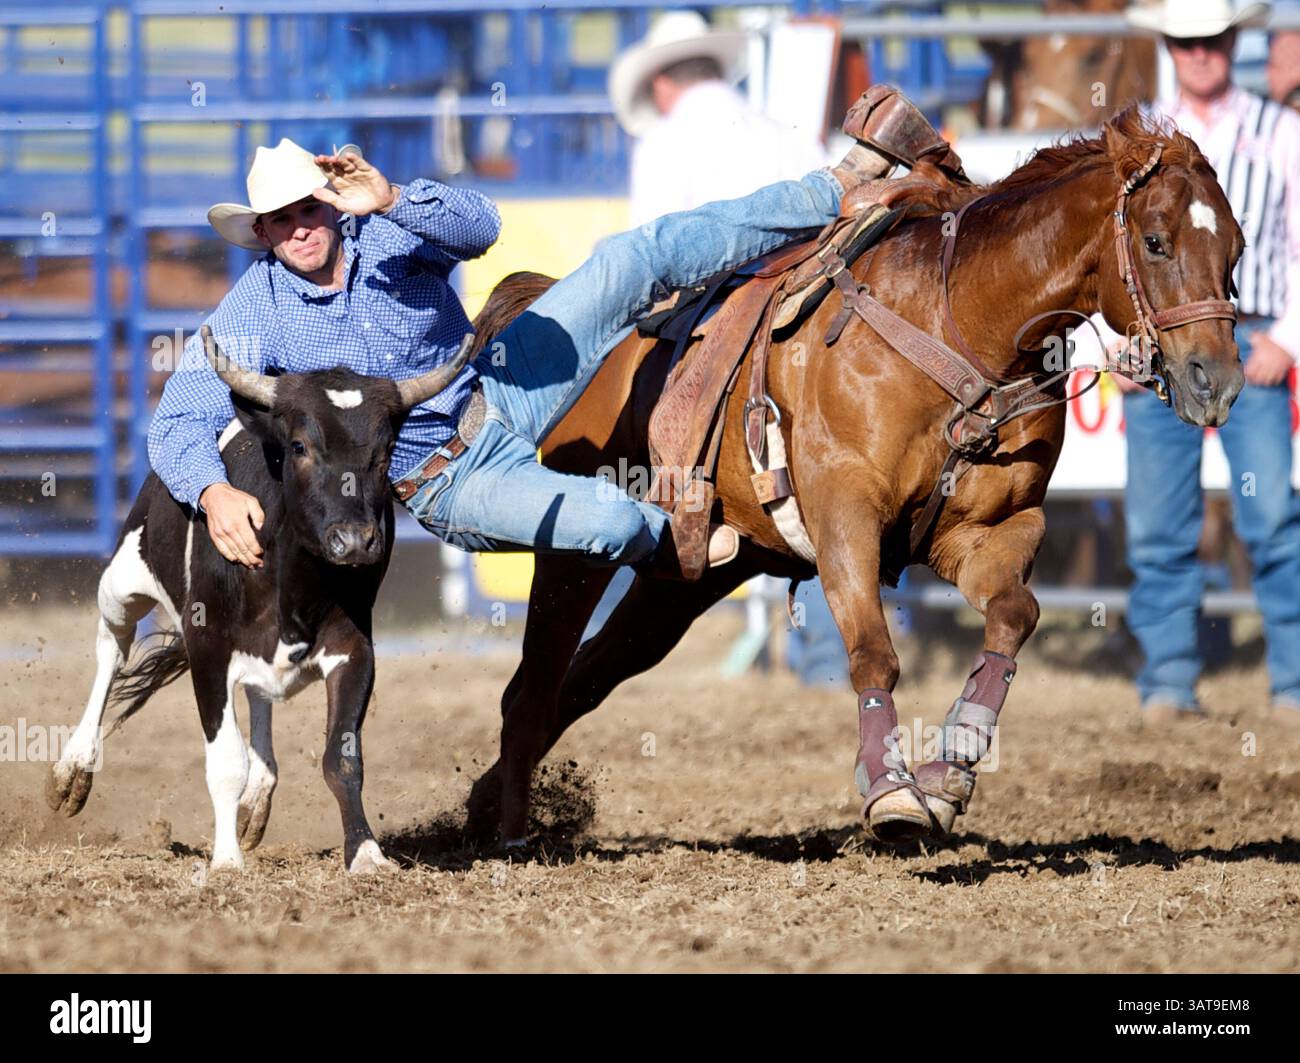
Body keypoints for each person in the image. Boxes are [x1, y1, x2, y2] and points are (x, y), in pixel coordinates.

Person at [148, 96, 917, 586]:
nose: (299, 230)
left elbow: (481, 228)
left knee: (631, 258)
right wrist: (211, 490)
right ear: (262, 236)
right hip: (444, 478)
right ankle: (671, 535)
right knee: (610, 520)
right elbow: (178, 417)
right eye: (279, 222)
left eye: (306, 210)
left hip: (500, 384)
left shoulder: (382, 231)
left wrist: (392, 199)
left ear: (329, 201)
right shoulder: (256, 309)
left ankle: (833, 190)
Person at [1119, 0, 1300, 723]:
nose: (1200, 53)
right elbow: (1116, 254)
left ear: (1233, 41)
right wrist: (1120, 343)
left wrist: (1288, 338)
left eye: (1213, 39)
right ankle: (1168, 679)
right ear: (1168, 45)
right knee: (1159, 528)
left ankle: (1291, 683)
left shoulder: (1281, 132)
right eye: (1186, 41)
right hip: (1164, 351)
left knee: (1273, 521)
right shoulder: (1137, 143)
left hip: (1250, 340)